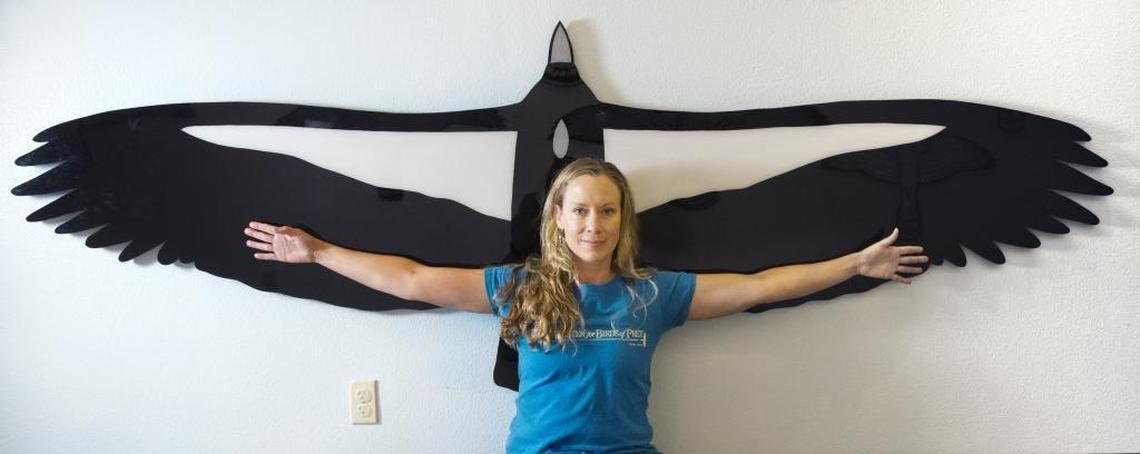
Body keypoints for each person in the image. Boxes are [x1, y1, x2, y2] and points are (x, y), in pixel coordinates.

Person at [243, 157, 927, 453]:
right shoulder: (518, 287)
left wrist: (855, 264)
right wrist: (318, 253)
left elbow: (761, 286)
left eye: (606, 210)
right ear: (559, 218)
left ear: (622, 219)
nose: (593, 224)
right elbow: (415, 279)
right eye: (580, 210)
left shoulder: (654, 294)